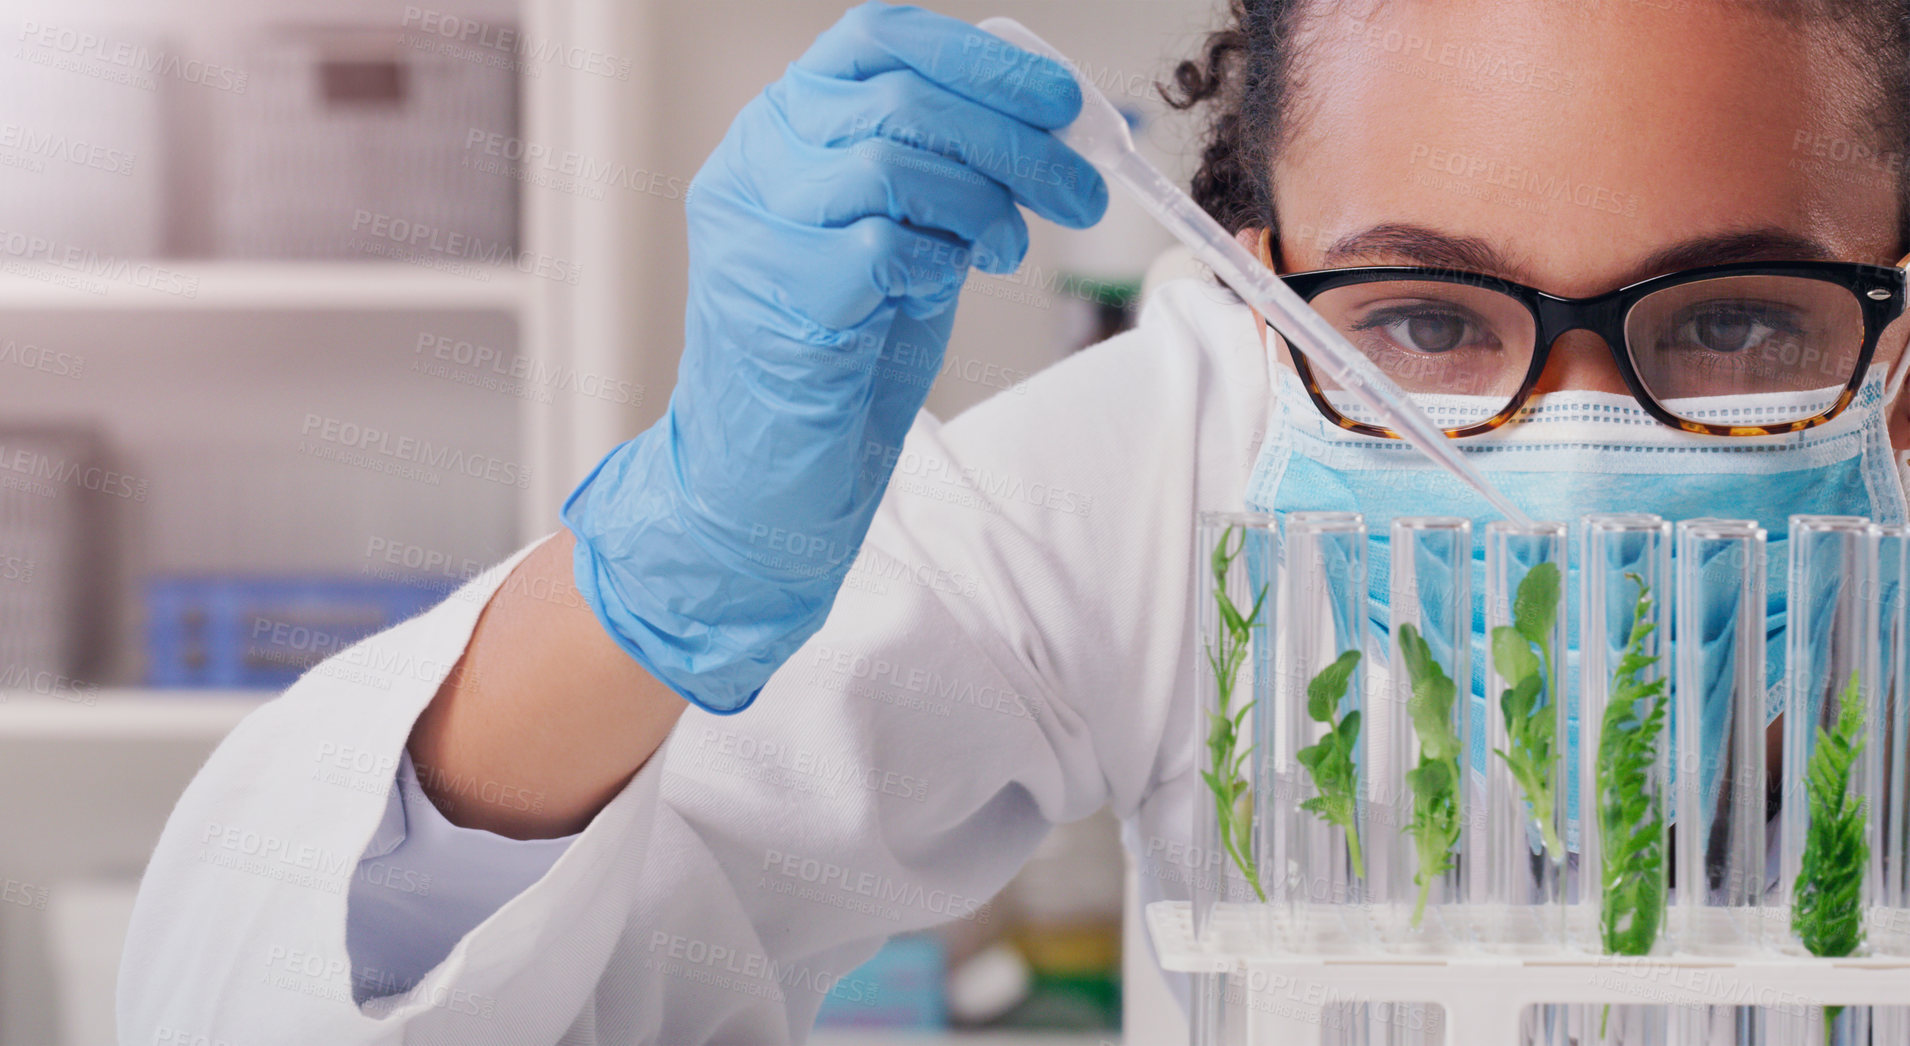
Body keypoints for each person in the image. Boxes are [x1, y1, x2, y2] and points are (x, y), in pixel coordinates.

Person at [119, 0, 1910, 1042]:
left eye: (1732, 317)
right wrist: (655, 574)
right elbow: (307, 1008)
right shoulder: (1184, 456)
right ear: (1259, 278)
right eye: (1425, 320)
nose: (1560, 434)